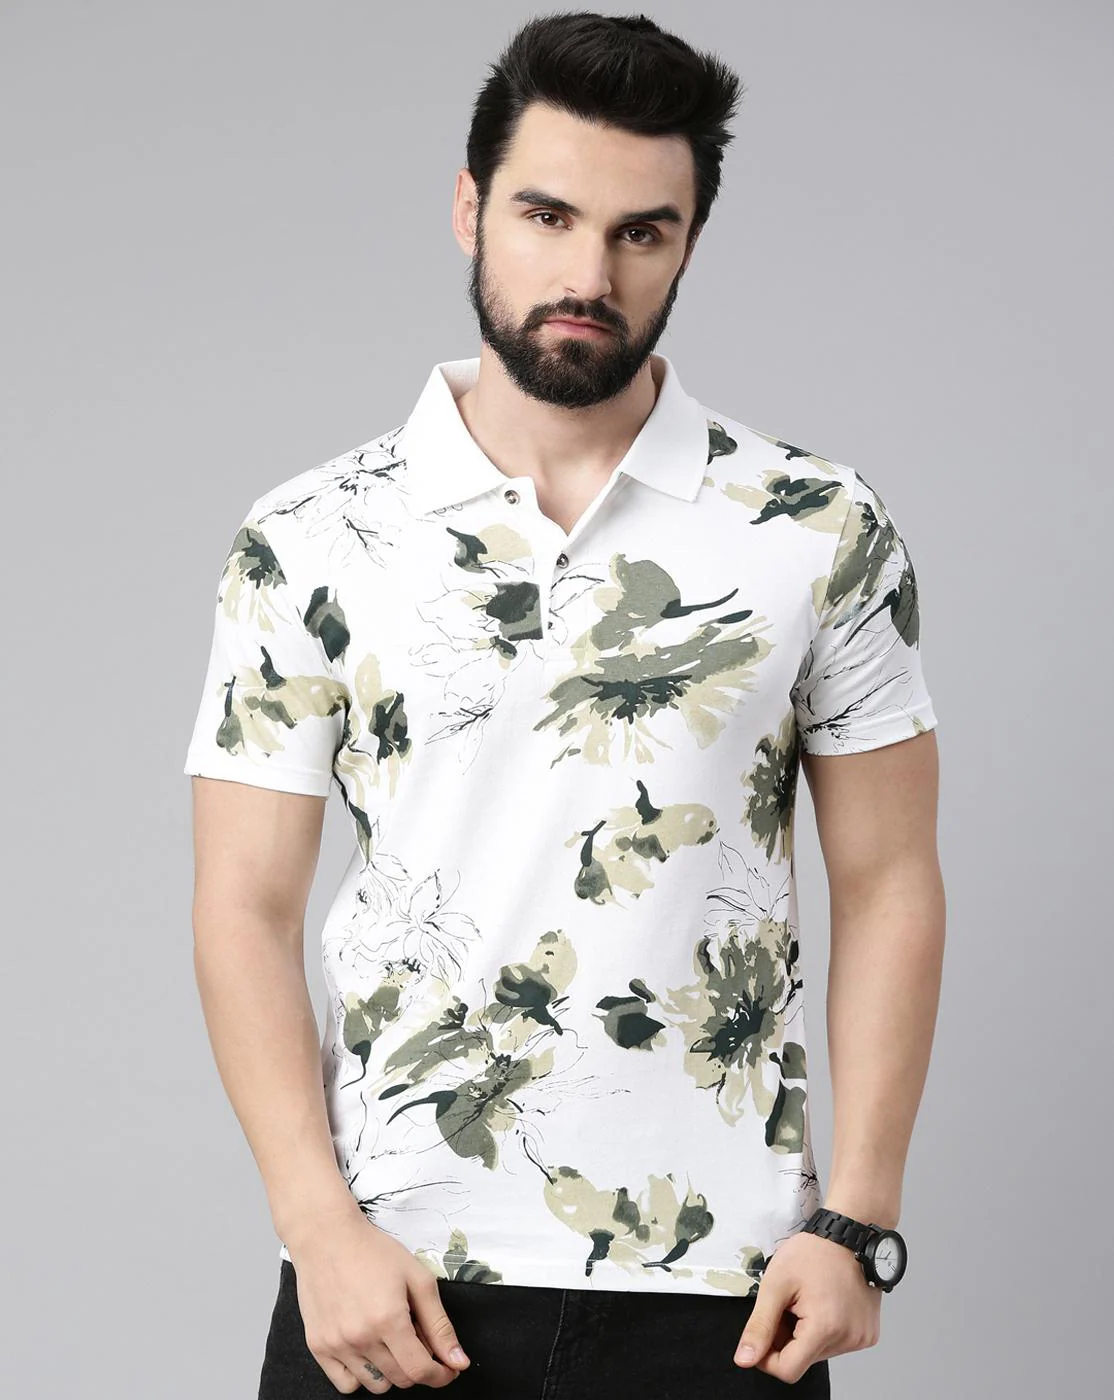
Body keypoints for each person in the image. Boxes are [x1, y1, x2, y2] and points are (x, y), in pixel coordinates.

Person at [183, 12, 945, 1397]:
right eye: (547, 216)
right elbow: (243, 903)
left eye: (641, 233)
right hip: (391, 1280)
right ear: (469, 208)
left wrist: (857, 1218)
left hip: (723, 1294)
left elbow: (889, 876)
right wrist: (316, 1229)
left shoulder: (815, 525)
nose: (589, 275)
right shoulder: (310, 537)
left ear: (688, 244)